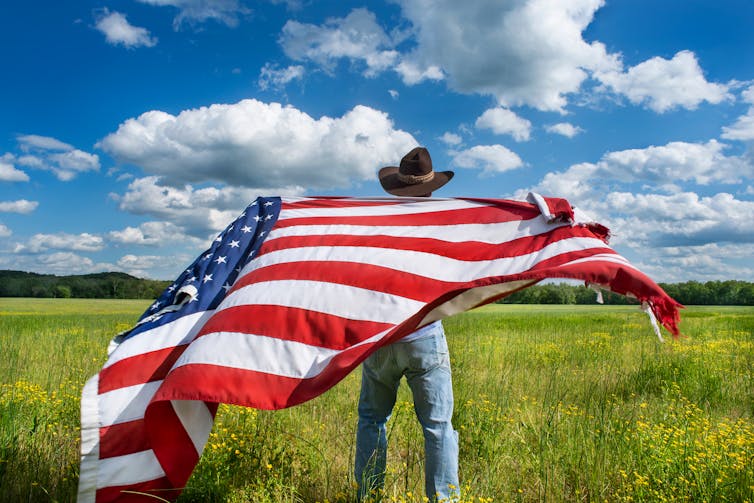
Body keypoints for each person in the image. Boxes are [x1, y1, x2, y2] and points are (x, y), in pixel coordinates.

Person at [355, 147, 459, 502]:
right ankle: (443, 500)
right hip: (426, 334)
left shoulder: (377, 226)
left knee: (371, 418)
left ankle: (369, 497)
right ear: (431, 189)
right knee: (437, 427)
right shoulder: (442, 226)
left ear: (395, 187)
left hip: (383, 334)